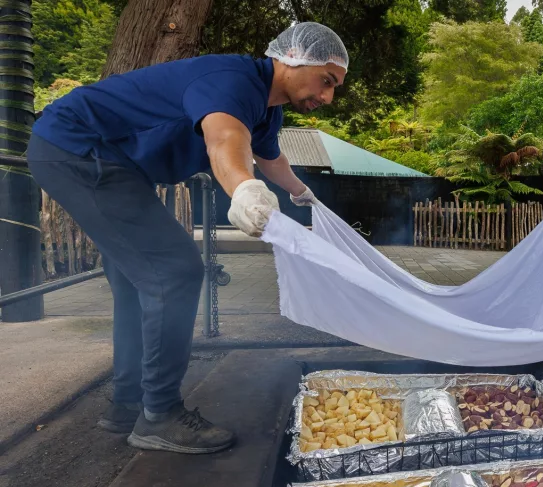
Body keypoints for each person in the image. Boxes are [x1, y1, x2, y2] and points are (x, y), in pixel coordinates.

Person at [25, 22, 347, 454]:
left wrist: (303, 195)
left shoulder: (268, 107)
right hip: (79, 149)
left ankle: (128, 404)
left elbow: (269, 157)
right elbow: (224, 138)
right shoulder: (231, 82)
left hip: (105, 160)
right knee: (174, 271)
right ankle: (159, 415)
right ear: (292, 56)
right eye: (326, 80)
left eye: (334, 88)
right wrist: (244, 189)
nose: (327, 97)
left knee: (135, 280)